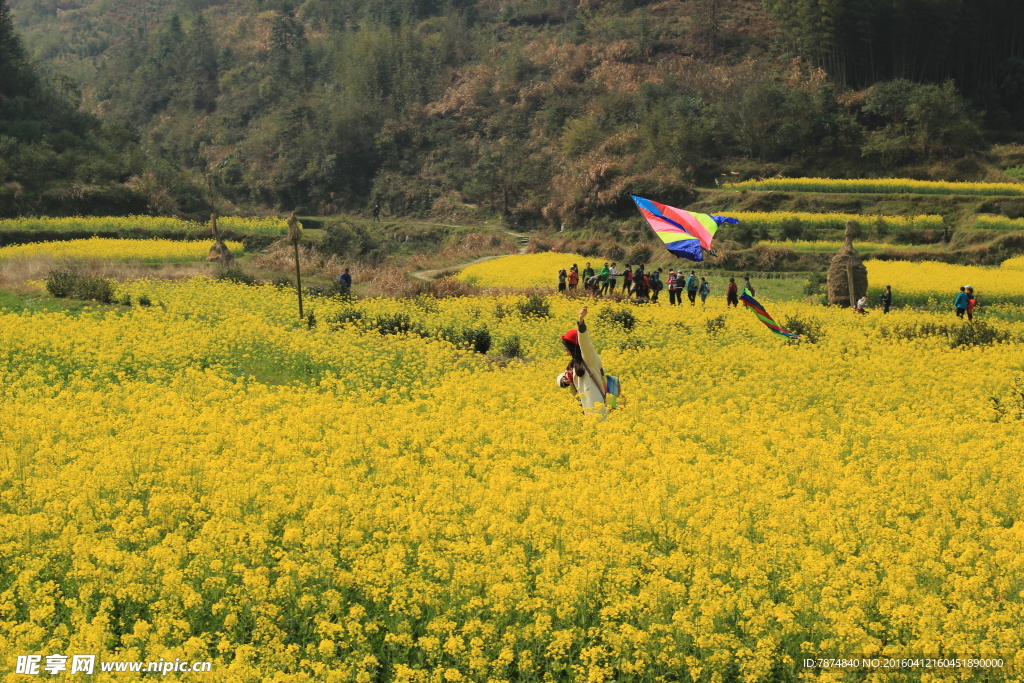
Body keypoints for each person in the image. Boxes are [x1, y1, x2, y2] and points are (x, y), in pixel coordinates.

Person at [557, 306, 610, 416]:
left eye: (567, 349)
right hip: (582, 410)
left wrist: (581, 322)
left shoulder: (589, 359)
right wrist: (565, 380)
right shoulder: (574, 364)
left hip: (596, 408)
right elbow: (560, 378)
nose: (566, 352)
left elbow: (585, 344)